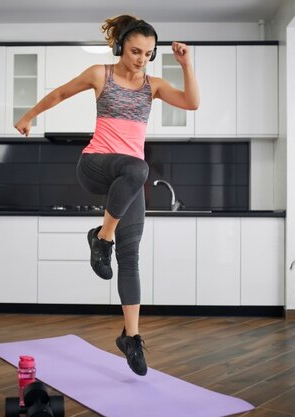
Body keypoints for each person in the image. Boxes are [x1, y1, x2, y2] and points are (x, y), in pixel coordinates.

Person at [14, 14, 199, 376]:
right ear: (119, 47)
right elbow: (61, 93)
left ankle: (131, 336)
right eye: (134, 51)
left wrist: (186, 64)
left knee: (130, 257)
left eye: (148, 54)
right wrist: (29, 115)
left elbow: (192, 103)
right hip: (95, 166)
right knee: (139, 168)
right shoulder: (102, 74)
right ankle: (102, 237)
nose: (140, 59)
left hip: (127, 181)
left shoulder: (154, 86)